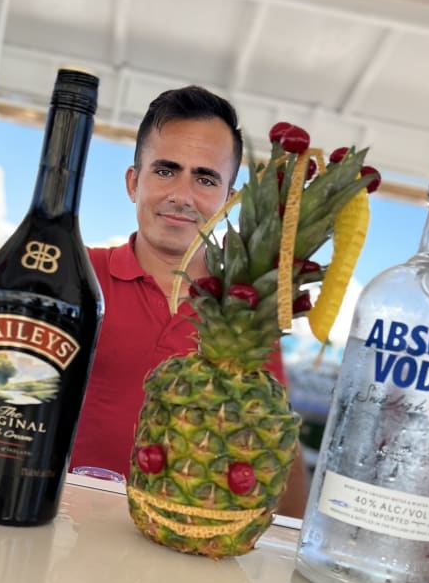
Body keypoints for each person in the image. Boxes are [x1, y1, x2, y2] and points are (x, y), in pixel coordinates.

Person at [70, 85, 308, 517]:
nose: (182, 196)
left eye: (205, 178)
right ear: (133, 182)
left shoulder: (243, 315)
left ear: (228, 199)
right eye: (165, 170)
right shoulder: (74, 272)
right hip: (61, 525)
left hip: (184, 540)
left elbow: (277, 449)